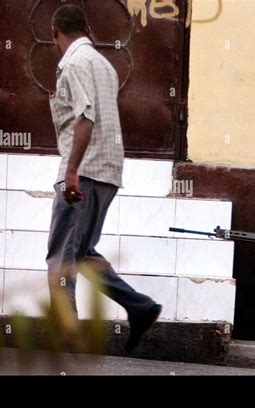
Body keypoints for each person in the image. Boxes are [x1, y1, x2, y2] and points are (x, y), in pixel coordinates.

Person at [46, 4, 161, 352]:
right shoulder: (104, 65)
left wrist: (71, 171)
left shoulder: (75, 63)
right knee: (81, 254)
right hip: (108, 172)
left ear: (56, 34)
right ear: (86, 30)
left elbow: (86, 118)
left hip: (84, 173)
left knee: (61, 258)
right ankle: (140, 307)